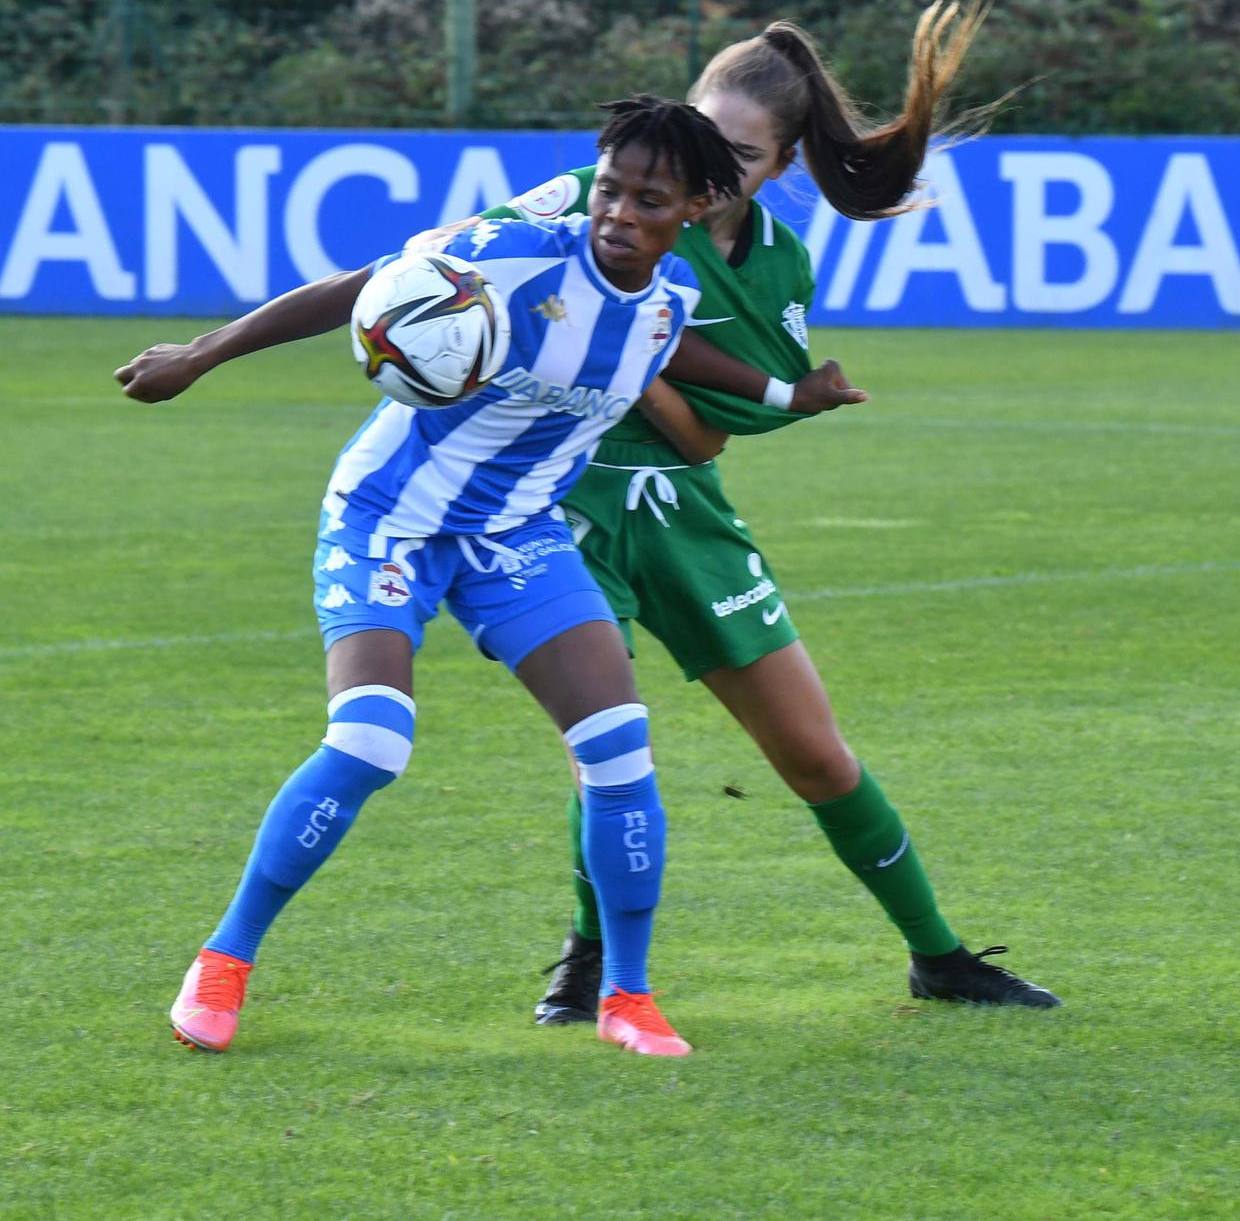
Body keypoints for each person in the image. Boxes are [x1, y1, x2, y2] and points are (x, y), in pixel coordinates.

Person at [118, 95, 856, 1059]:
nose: (619, 214)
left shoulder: (666, 302)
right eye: (613, 190)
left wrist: (787, 394)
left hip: (512, 536)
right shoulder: (510, 254)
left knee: (620, 752)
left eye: (649, 199)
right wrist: (199, 356)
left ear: (696, 210)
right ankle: (223, 963)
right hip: (389, 521)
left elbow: (666, 342)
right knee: (371, 742)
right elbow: (363, 286)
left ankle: (627, 998)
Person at [413, 1, 1060, 1017]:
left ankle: (939, 956)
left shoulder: (777, 265)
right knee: (607, 745)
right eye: (704, 143)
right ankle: (590, 967)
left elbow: (729, 419)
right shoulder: (597, 195)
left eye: (743, 158)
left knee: (811, 752)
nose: (710, 173)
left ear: (785, 163)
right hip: (557, 494)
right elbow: (456, 269)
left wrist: (631, 367)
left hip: (683, 508)